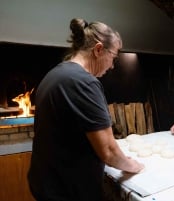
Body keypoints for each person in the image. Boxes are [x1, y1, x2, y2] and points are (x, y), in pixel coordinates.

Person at [27, 18, 144, 201]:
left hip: (46, 181)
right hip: (66, 191)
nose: (112, 66)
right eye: (113, 57)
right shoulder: (83, 82)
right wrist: (133, 166)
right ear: (98, 49)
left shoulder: (56, 74)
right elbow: (109, 151)